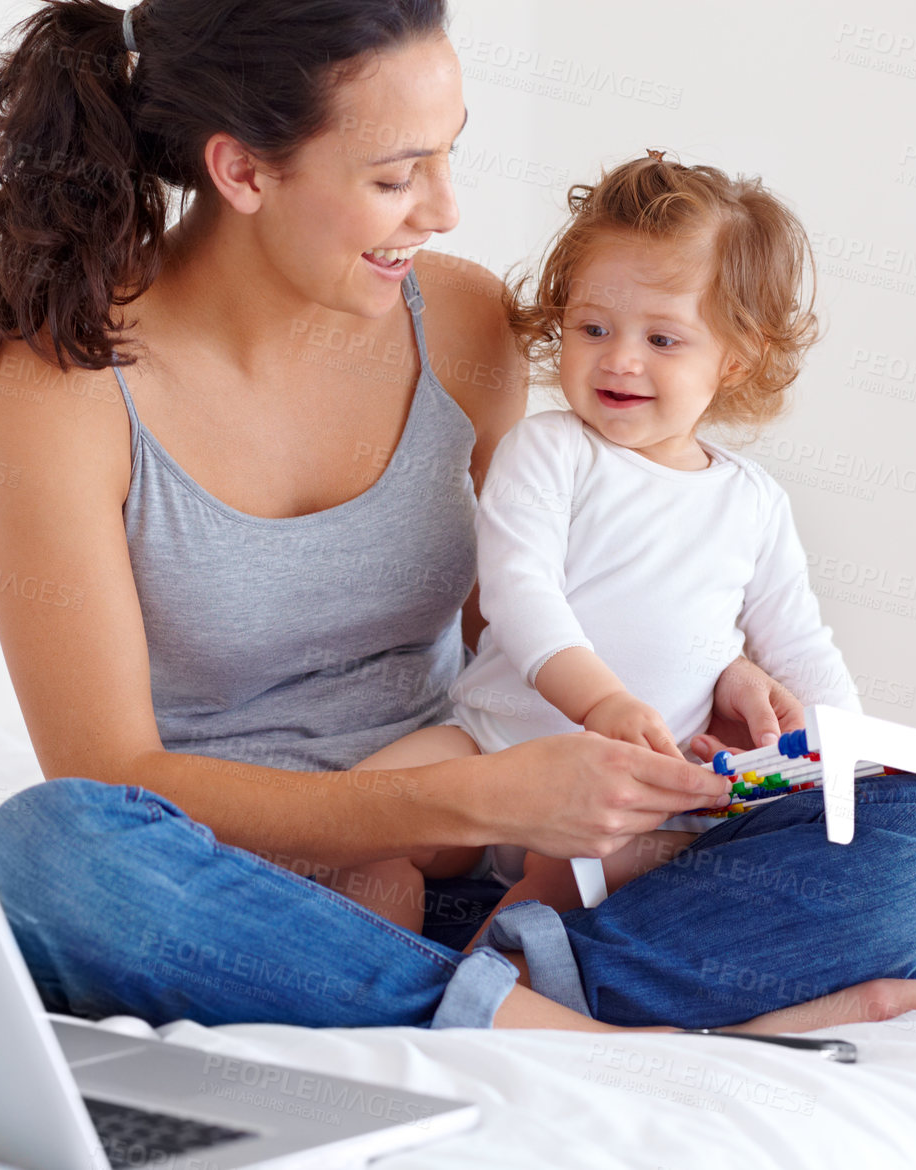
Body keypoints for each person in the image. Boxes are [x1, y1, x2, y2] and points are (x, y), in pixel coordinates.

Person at [0, 0, 916, 1034]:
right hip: (243, 895)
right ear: (242, 169)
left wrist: (704, 677)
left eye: (450, 153)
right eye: (398, 175)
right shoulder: (63, 384)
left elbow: (519, 627)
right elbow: (112, 773)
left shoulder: (462, 318)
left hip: (494, 873)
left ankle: (504, 996)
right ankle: (566, 1024)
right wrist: (472, 794)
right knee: (52, 853)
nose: (444, 208)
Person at [330, 152, 868, 953]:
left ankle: (492, 975)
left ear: (736, 357)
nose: (619, 358)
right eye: (592, 328)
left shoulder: (751, 501)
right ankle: (383, 977)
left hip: (637, 794)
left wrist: (855, 756)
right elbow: (519, 592)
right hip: (489, 742)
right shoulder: (550, 449)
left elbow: (796, 643)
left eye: (661, 338)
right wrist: (602, 706)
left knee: (667, 865)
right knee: (358, 816)